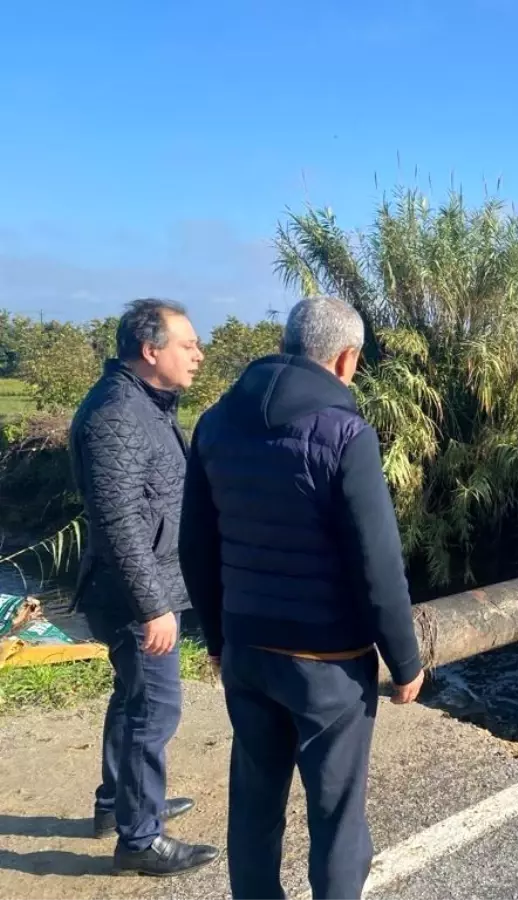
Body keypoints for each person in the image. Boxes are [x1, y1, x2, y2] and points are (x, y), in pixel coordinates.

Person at [179, 296, 425, 900]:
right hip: (328, 665)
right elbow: (378, 565)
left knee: (255, 805)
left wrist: (217, 638)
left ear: (287, 343)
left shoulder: (213, 422)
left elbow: (195, 545)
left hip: (246, 649)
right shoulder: (346, 434)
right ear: (345, 360)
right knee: (337, 820)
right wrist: (405, 660)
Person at [69, 298, 218, 876]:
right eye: (189, 344)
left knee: (133, 700)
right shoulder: (119, 415)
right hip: (137, 595)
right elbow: (118, 521)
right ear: (151, 350)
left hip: (141, 586)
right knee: (153, 712)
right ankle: (140, 837)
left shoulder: (143, 405)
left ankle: (120, 803)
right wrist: (153, 606)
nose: (199, 356)